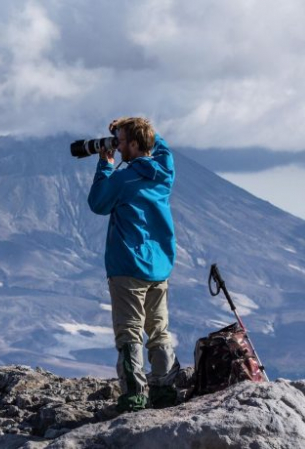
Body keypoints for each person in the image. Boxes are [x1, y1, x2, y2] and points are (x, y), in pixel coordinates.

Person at [88, 117, 181, 412]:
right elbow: (162, 148)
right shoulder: (164, 173)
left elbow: (98, 204)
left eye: (122, 139)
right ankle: (165, 392)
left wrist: (105, 163)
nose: (118, 144)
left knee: (129, 333)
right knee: (159, 330)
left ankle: (135, 396)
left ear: (134, 144)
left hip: (128, 266)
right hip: (160, 267)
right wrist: (136, 126)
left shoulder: (123, 179)